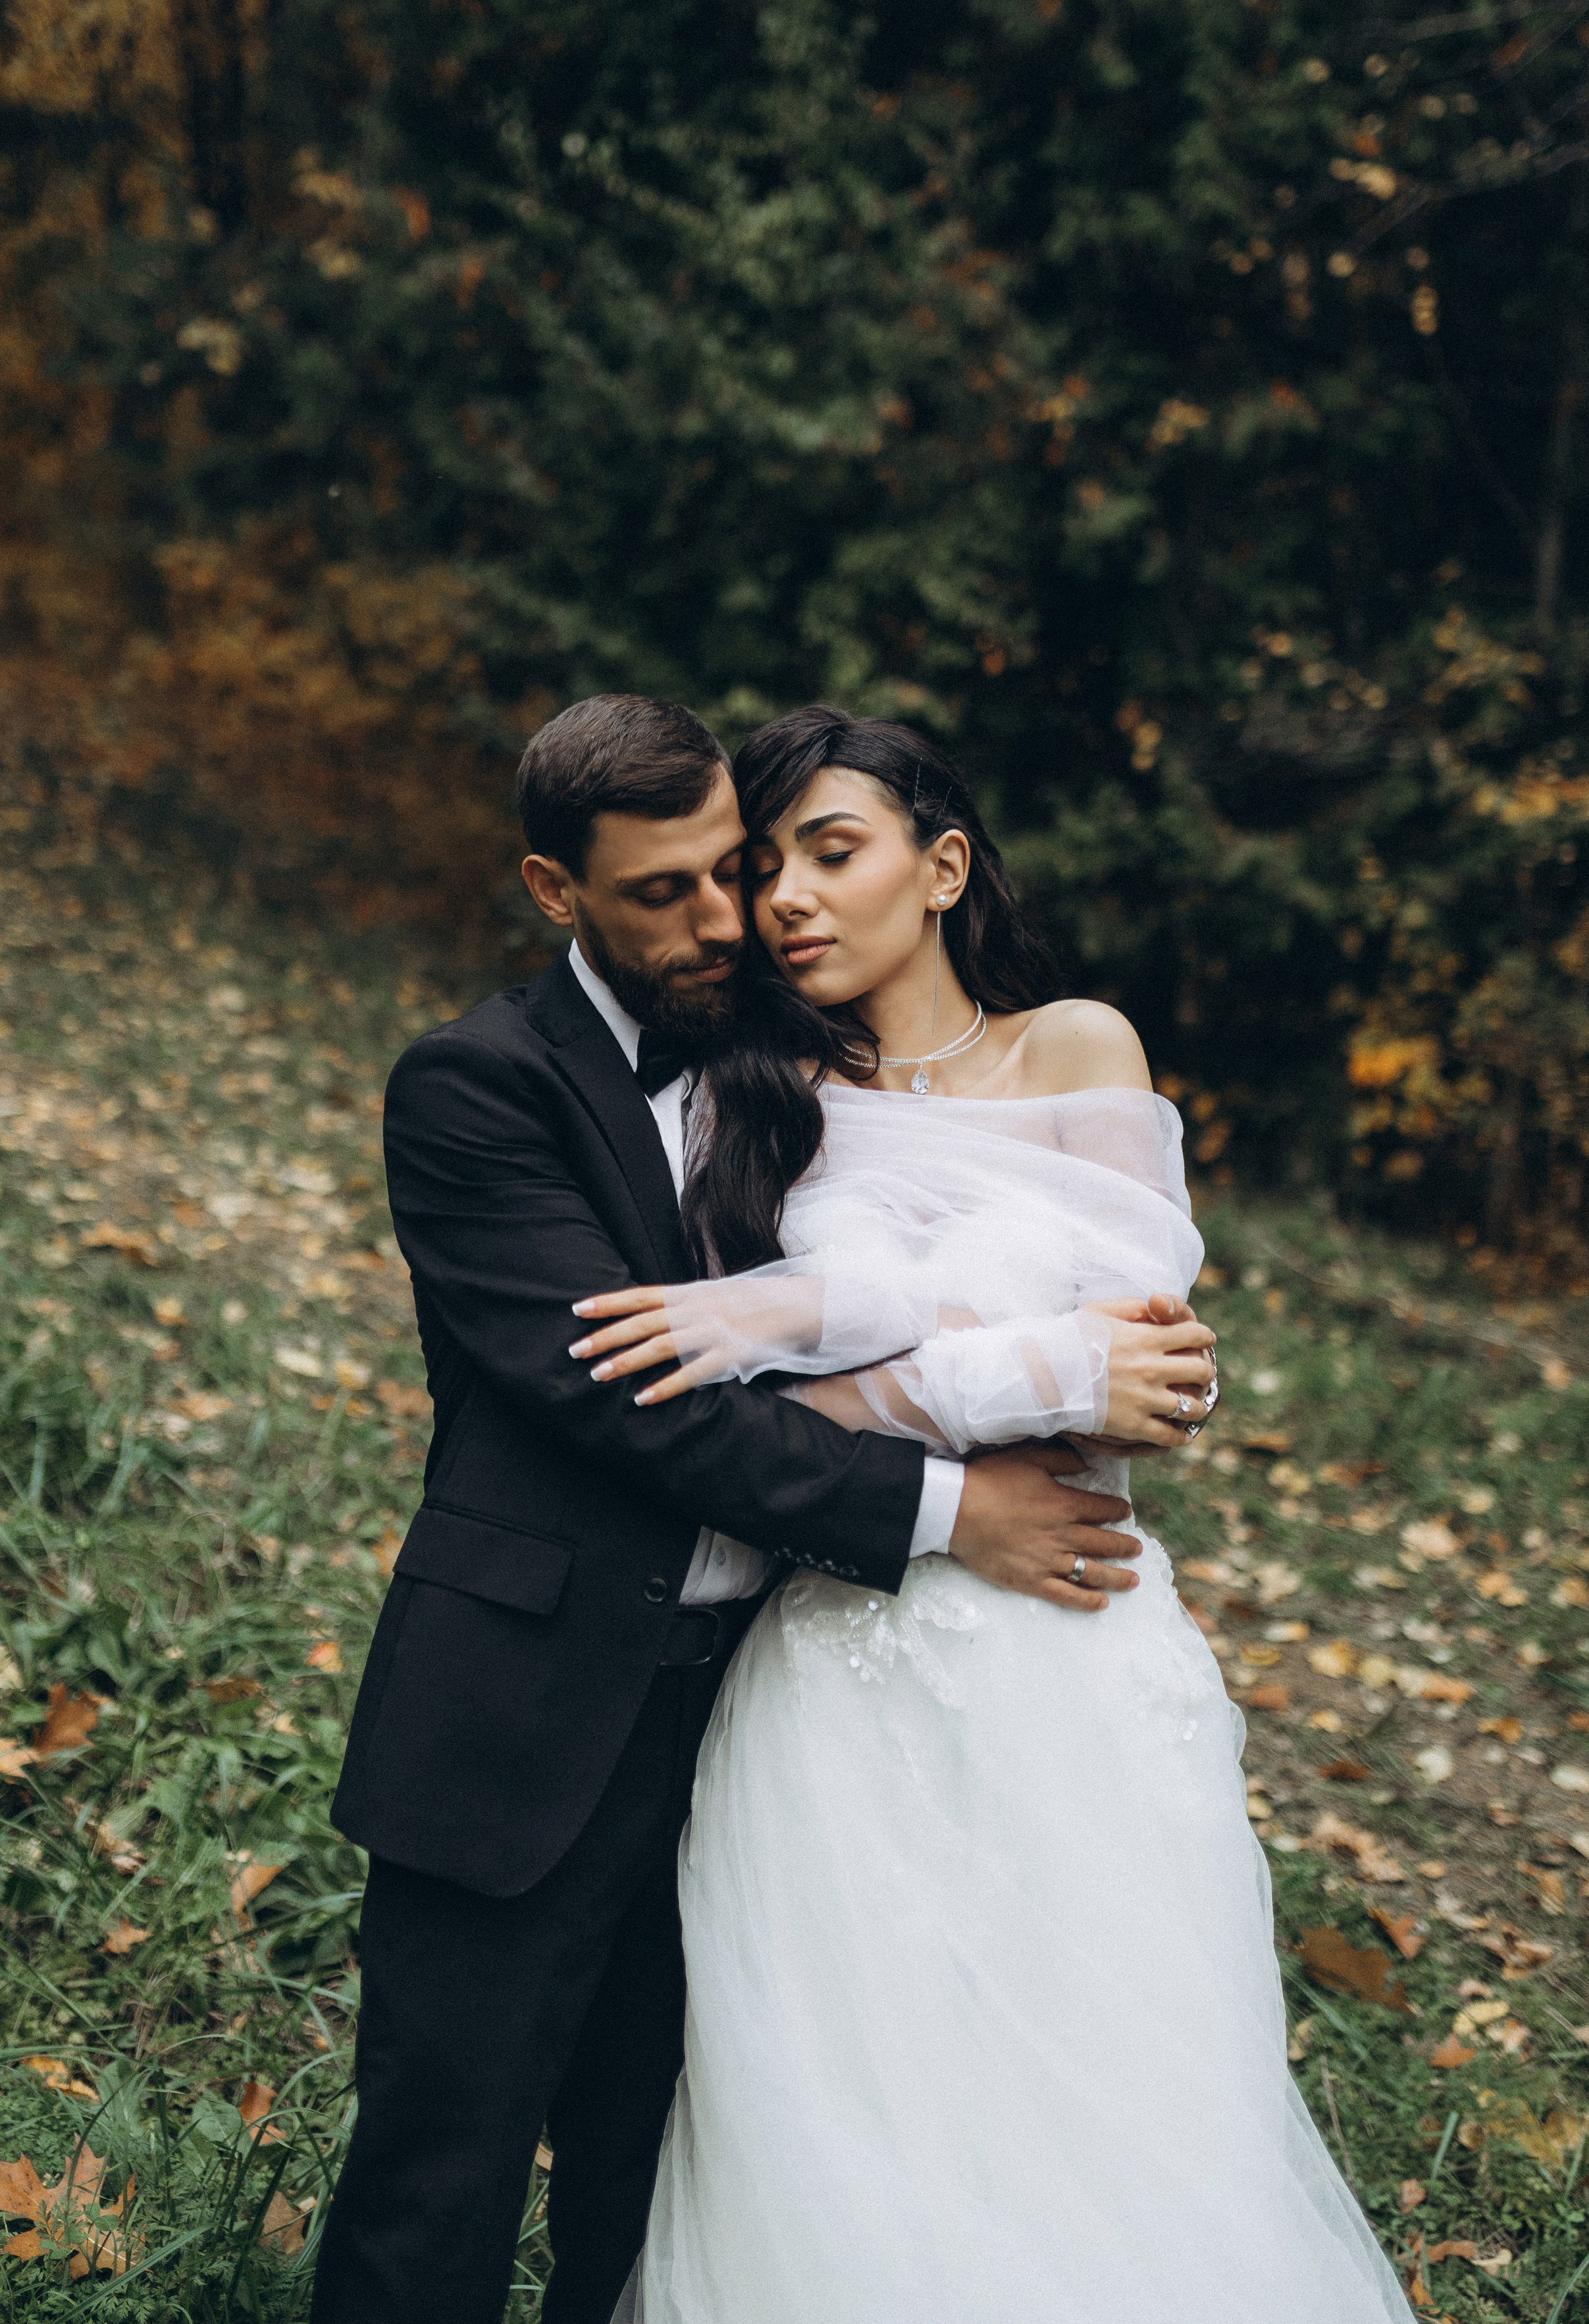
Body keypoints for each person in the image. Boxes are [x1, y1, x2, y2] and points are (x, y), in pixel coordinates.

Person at [310, 695, 1209, 2324]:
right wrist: (949, 1502)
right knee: (438, 2183)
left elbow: (1121, 1341)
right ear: (552, 888)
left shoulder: (786, 1063)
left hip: (762, 1702)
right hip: (534, 1699)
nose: (736, 915)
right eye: (671, 891)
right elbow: (630, 1405)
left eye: (747, 867)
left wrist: (1078, 1373)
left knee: (672, 2188)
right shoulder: (475, 1085)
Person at [577, 706, 1416, 2324]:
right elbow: (729, 1417)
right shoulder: (743, 1098)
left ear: (940, 864)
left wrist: (842, 1332)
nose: (791, 901)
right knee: (848, 2093)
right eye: (762, 873)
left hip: (1074, 1649)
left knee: (1108, 2081)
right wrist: (1011, 1372)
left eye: (834, 852)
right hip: (839, 1656)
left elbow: (1152, 1378)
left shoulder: (1076, 1048)